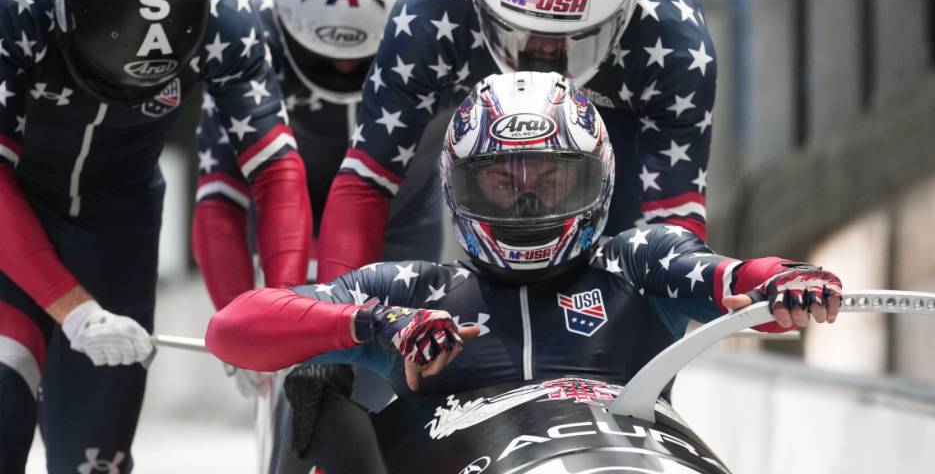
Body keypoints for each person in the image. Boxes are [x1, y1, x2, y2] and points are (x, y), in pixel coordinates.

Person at [207, 72, 842, 408]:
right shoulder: (414, 294)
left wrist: (782, 283)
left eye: (552, 180)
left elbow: (727, 279)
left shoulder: (638, 263)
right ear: (460, 189)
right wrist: (378, 324)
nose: (530, 202)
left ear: (597, 179)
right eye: (502, 185)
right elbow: (232, 329)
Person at [0, 0, 310, 472]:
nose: (121, 96)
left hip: (117, 226)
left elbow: (276, 168)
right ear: (65, 19)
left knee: (95, 460)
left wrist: (280, 316)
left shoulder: (225, 14)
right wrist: (73, 309)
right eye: (108, 80)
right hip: (13, 205)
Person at [316, 0, 720, 282]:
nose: (543, 50)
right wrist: (333, 319)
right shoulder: (429, 11)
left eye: (570, 37)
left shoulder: (675, 45)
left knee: (620, 252)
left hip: (620, 110)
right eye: (522, 32)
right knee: (464, 201)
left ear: (623, 9)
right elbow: (367, 178)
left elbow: (673, 224)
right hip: (478, 84)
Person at [190, 0, 426, 471]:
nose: (343, 71)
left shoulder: (429, 28)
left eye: (359, 61)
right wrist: (252, 316)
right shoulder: (248, 35)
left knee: (394, 376)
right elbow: (219, 196)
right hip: (281, 209)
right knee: (298, 380)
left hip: (401, 210)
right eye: (324, 58)